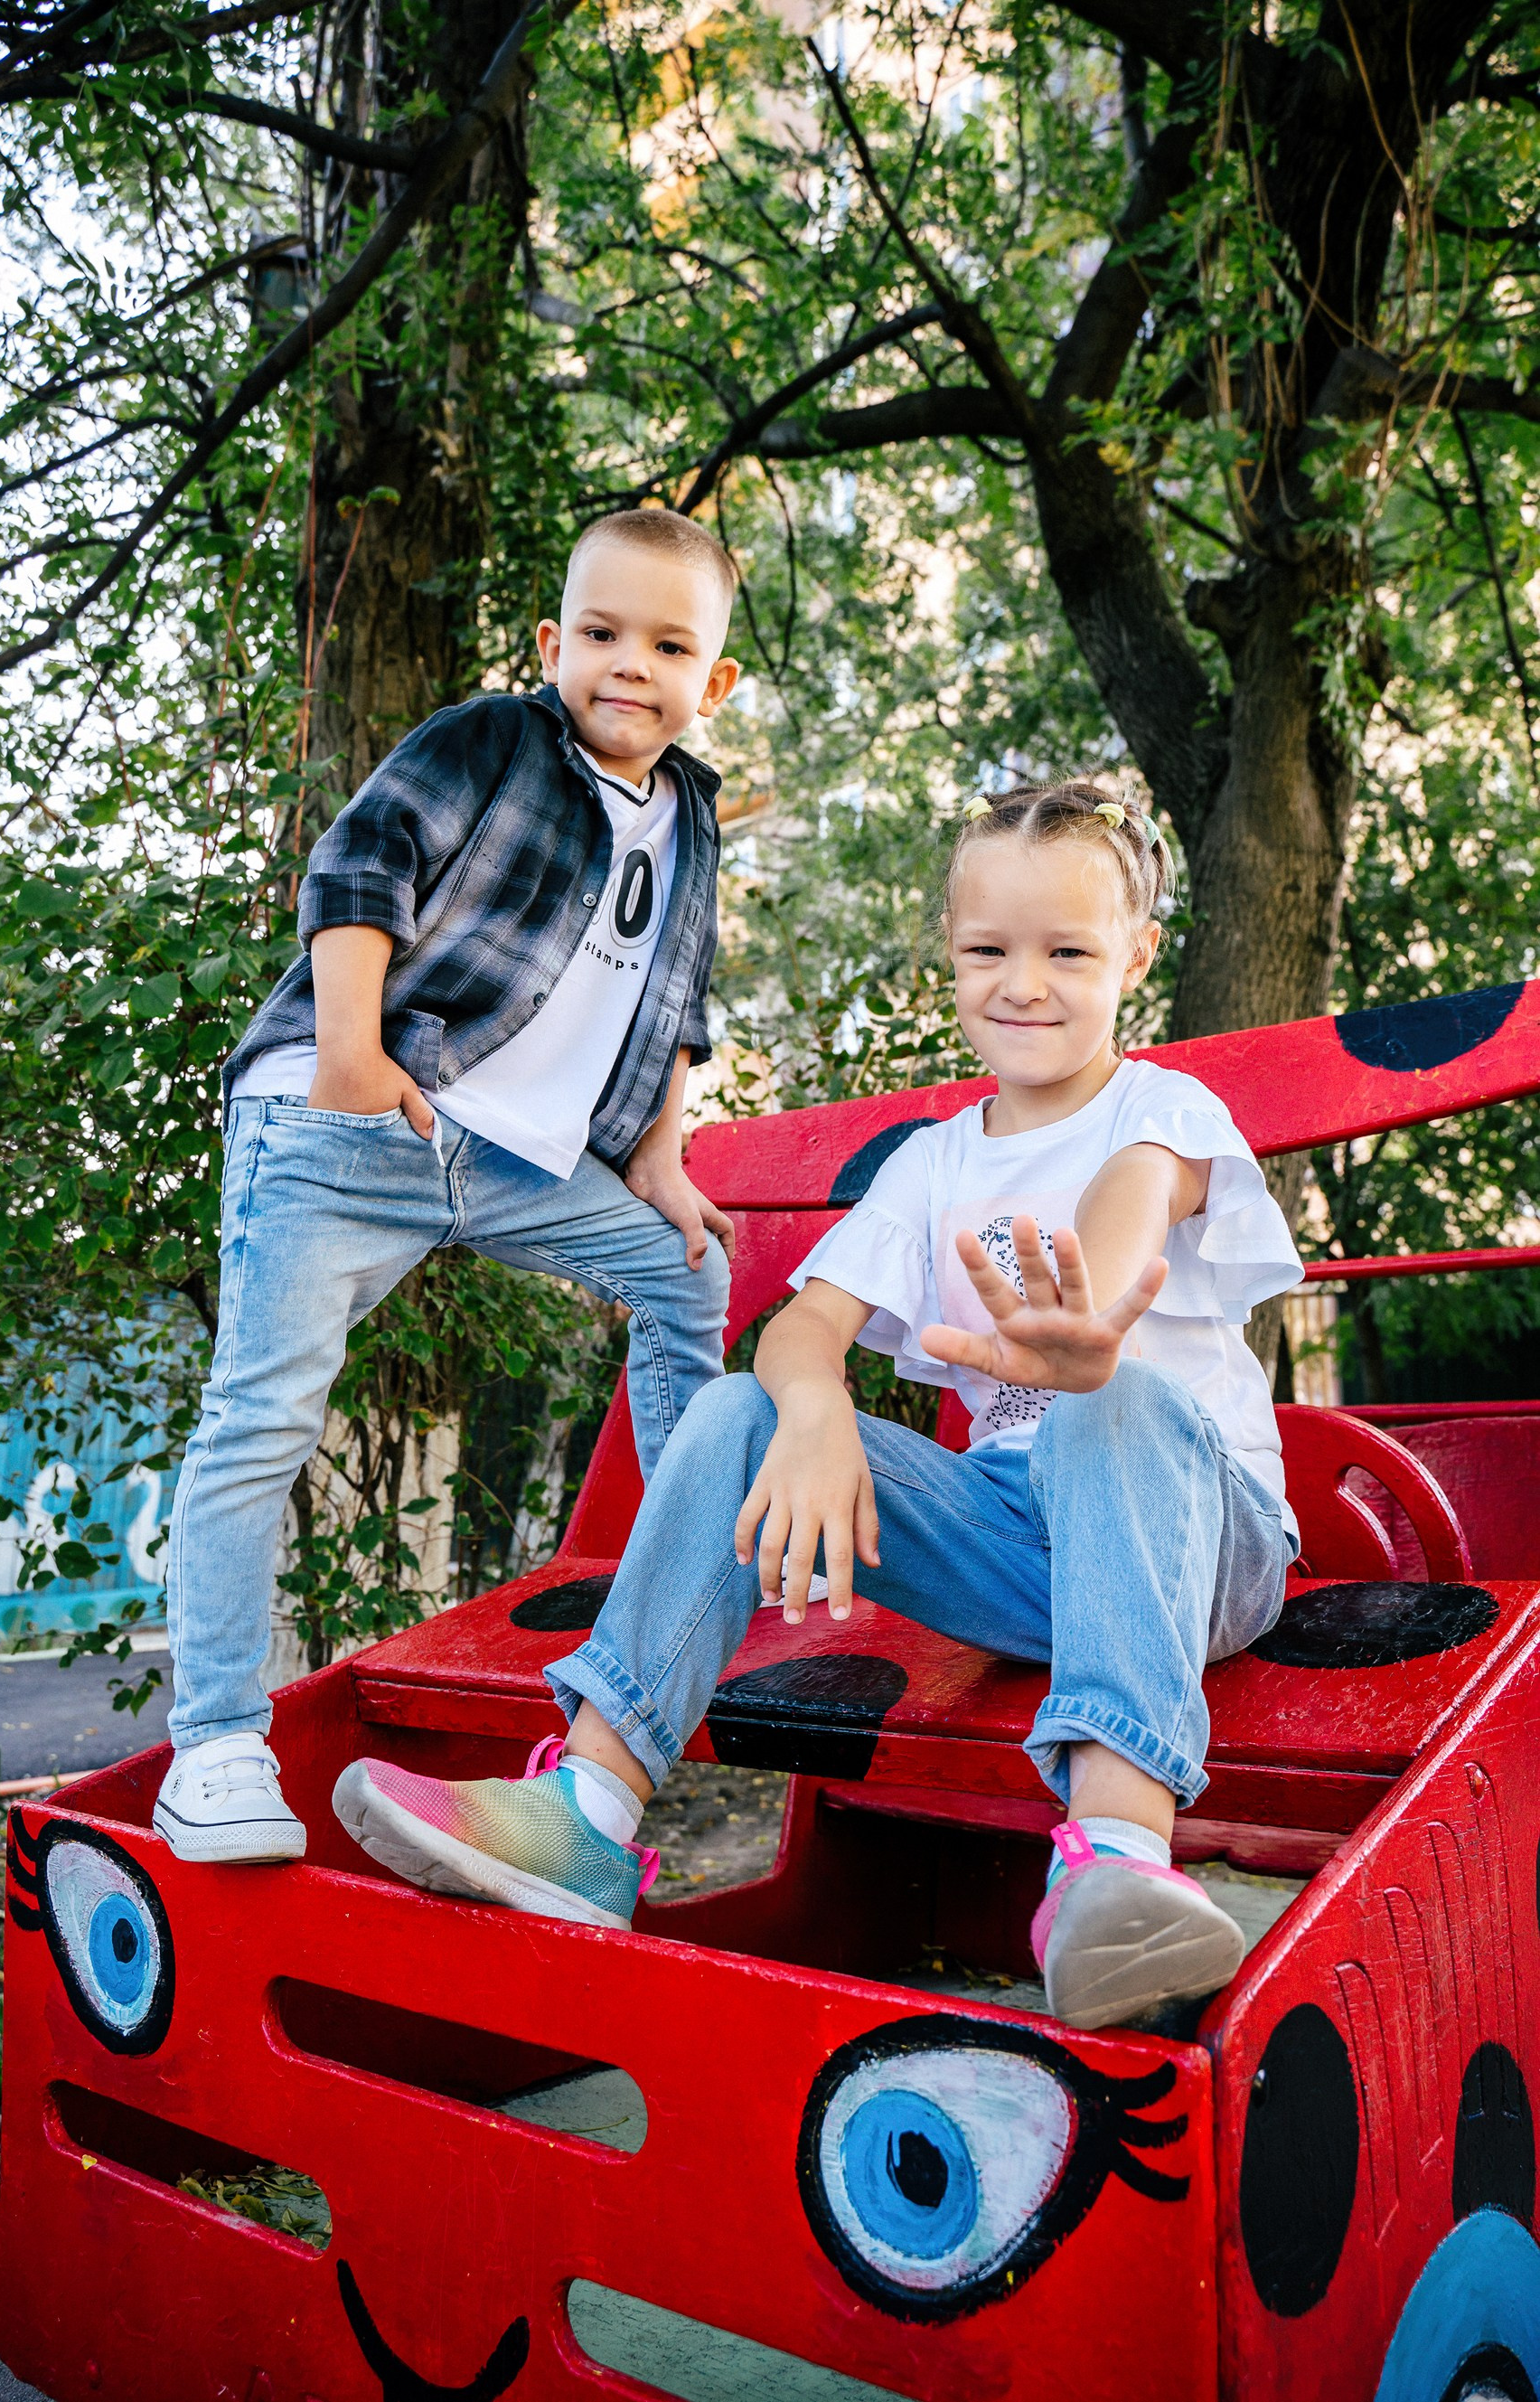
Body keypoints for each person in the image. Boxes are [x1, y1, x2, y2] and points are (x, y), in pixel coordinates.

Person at [333, 779, 1306, 2030]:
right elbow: (803, 1324)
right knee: (740, 1410)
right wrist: (814, 1411)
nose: (1026, 982)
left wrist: (1091, 1319)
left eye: (1068, 951)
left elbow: (1134, 1193)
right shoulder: (936, 1159)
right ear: (949, 954)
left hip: (1202, 1533)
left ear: (1136, 955)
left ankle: (1116, 1856)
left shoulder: (1160, 1109)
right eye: (988, 950)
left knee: (1111, 1398)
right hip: (1022, 1548)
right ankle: (589, 1810)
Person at [154, 509, 743, 1866]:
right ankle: (217, 1746)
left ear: (712, 683)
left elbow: (679, 996)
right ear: (554, 644)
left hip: (509, 1163)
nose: (628, 666)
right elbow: (362, 867)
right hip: (350, 1114)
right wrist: (351, 1053)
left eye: (667, 646)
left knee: (684, 1266)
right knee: (264, 1412)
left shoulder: (693, 819)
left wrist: (657, 1151)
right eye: (600, 634)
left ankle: (670, 1586)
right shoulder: (491, 742)